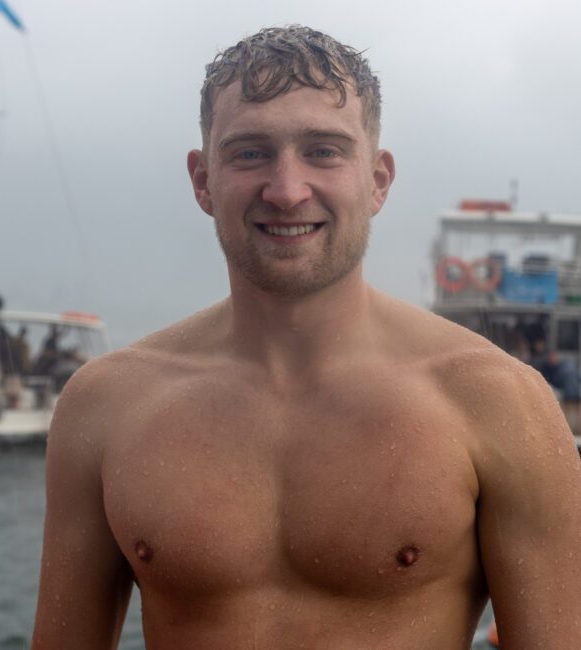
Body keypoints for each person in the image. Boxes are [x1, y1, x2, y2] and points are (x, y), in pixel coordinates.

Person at [32, 26, 581, 649]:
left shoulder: (499, 404)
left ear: (377, 179)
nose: (287, 190)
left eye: (323, 151)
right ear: (201, 179)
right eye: (248, 153)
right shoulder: (107, 405)